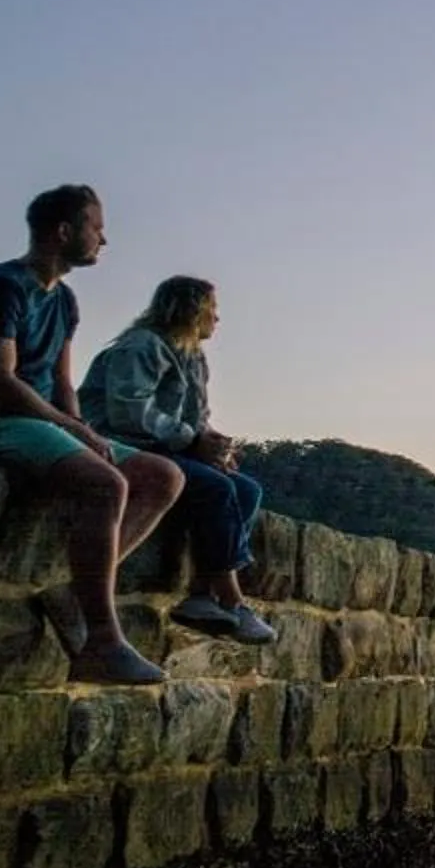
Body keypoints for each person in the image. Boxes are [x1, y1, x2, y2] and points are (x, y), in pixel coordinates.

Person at [0, 184, 185, 685]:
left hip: (36, 424)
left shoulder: (64, 300)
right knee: (106, 484)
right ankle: (102, 640)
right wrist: (68, 429)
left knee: (161, 475)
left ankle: (74, 592)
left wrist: (79, 427)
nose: (103, 240)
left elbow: (63, 383)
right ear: (64, 231)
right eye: (96, 227)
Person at [80, 276, 277, 644]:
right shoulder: (142, 346)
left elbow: (195, 419)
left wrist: (216, 447)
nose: (217, 320)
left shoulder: (193, 359)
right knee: (214, 489)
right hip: (122, 446)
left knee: (246, 490)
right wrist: (193, 441)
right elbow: (129, 412)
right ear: (192, 310)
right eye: (212, 310)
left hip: (166, 447)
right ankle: (233, 599)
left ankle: (203, 596)